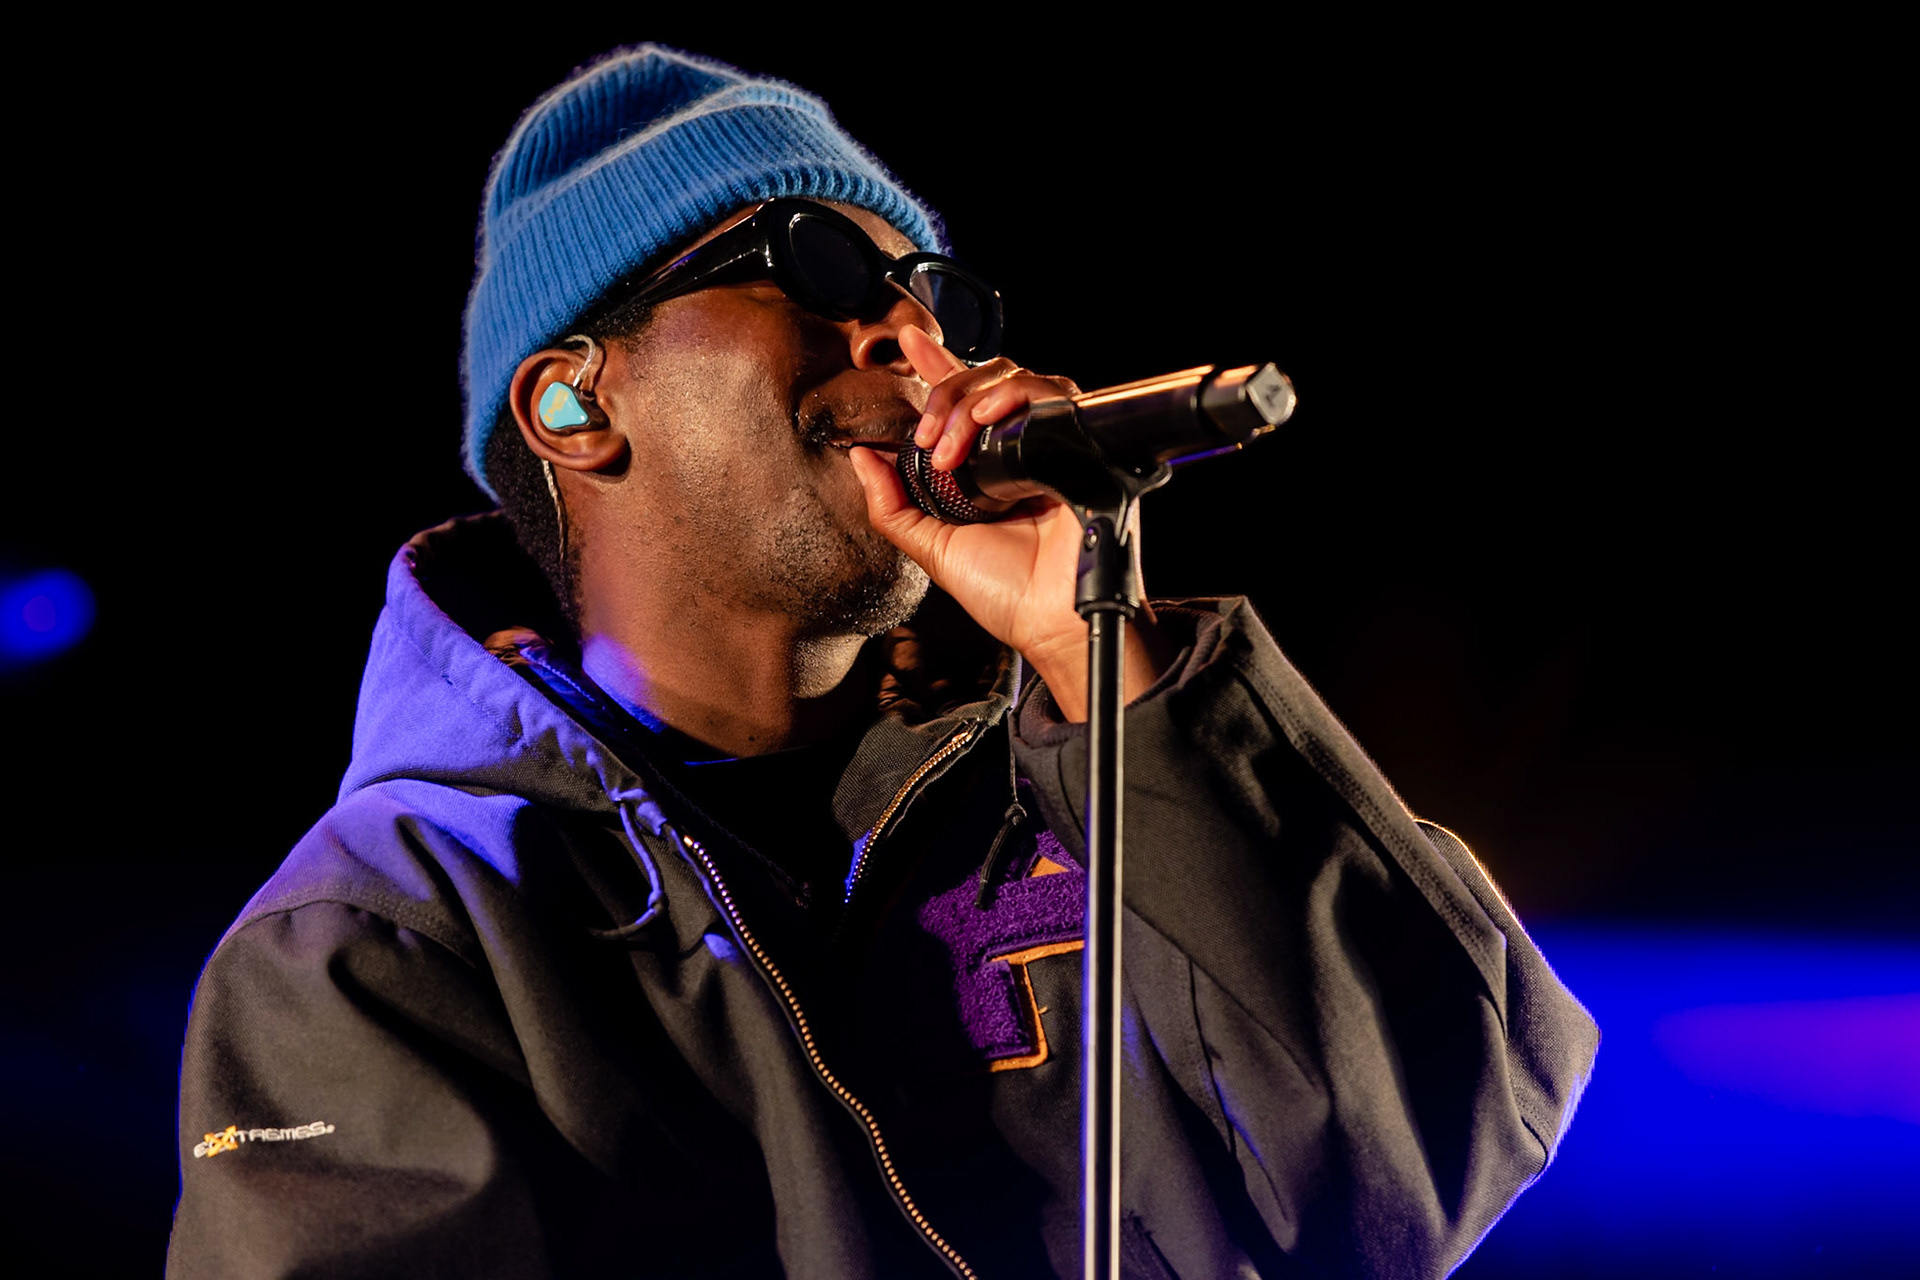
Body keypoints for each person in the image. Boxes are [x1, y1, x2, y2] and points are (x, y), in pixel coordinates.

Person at [169, 45, 1597, 1280]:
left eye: (934, 298)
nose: (912, 338)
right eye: (816, 268)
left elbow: (1436, 1156)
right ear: (569, 398)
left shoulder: (1091, 788)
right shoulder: (393, 937)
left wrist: (1108, 657)